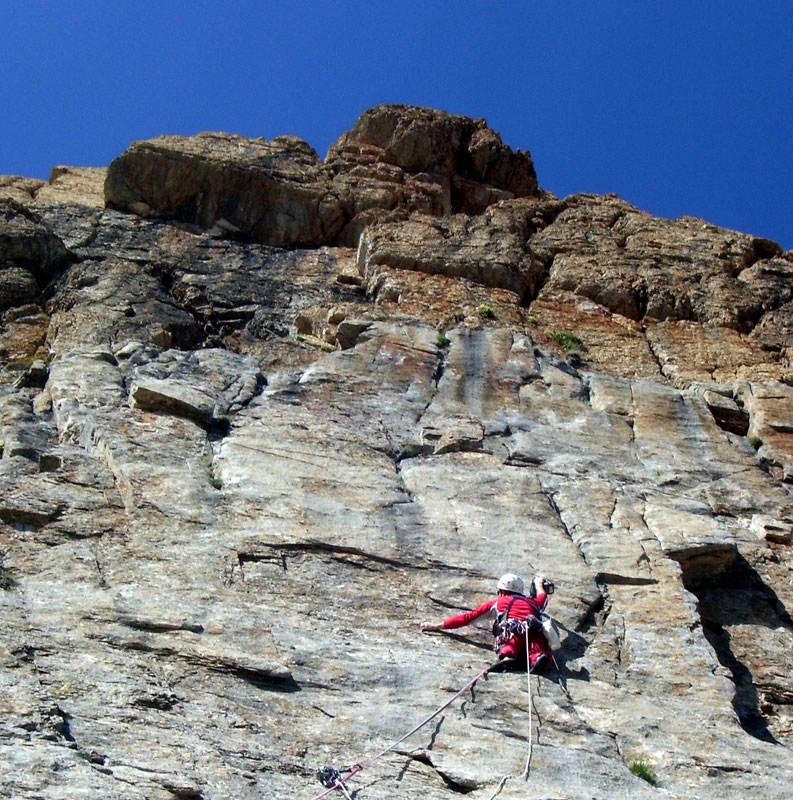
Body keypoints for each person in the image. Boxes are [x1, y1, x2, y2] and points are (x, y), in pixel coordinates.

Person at [420, 573, 553, 673]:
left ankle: (508, 657)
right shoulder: (532, 602)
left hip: (513, 628)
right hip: (533, 628)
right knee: (536, 639)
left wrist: (437, 626)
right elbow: (542, 595)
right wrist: (539, 582)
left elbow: (467, 617)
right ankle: (538, 657)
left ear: (501, 591)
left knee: (509, 635)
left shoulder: (497, 602)